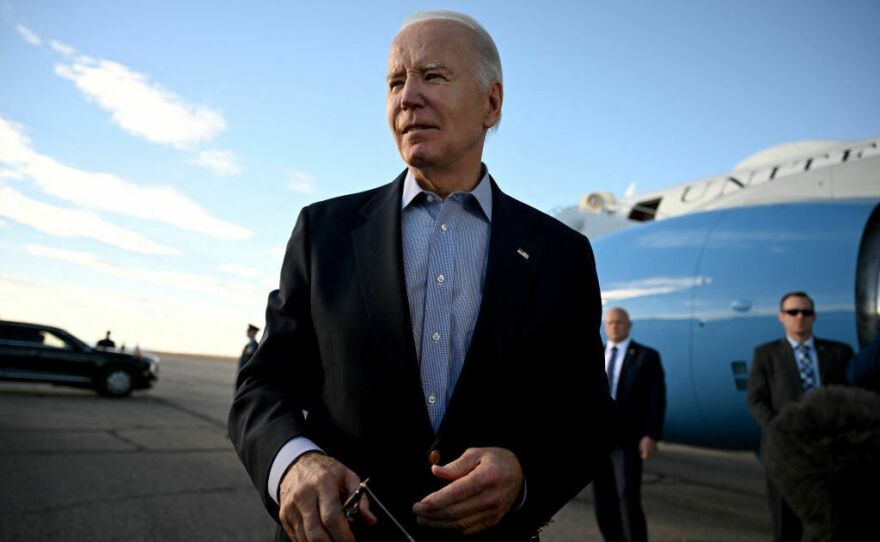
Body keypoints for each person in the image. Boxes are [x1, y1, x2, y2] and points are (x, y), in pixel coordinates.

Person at [228, 10, 615, 542]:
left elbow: (587, 416)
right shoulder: (325, 232)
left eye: (432, 76)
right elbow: (261, 384)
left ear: (491, 103)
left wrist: (525, 475)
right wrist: (293, 462)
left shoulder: (561, 253)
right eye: (395, 81)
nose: (407, 97)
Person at [747, 291, 855, 542]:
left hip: (827, 451)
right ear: (781, 317)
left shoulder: (839, 353)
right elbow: (756, 399)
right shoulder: (766, 355)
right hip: (785, 452)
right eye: (792, 312)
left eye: (805, 312)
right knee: (787, 526)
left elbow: (851, 396)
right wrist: (779, 431)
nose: (799, 317)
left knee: (832, 523)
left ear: (814, 317)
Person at [592, 307, 665, 542]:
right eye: (610, 322)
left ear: (629, 325)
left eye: (619, 322)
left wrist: (650, 435)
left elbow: (656, 399)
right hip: (599, 442)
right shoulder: (595, 355)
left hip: (628, 440)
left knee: (627, 501)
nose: (614, 326)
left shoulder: (646, 356)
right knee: (603, 501)